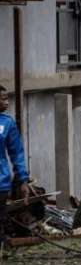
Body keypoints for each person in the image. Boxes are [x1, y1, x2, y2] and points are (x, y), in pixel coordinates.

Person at [0, 85, 30, 248]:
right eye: (3, 99)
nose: (7, 102)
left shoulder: (7, 123)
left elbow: (16, 153)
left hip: (1, 183)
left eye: (7, 98)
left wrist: (23, 179)